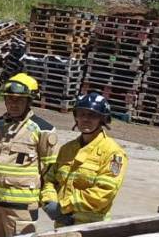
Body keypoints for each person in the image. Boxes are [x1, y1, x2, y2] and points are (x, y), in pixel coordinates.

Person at [0, 73, 57, 237]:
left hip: (21, 208)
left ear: (29, 101)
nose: (13, 104)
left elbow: (51, 172)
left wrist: (49, 200)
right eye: (9, 99)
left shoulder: (43, 130)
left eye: (19, 100)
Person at [44, 92, 127, 227]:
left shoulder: (113, 153)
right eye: (81, 114)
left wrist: (63, 207)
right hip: (61, 226)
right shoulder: (67, 149)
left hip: (91, 230)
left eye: (92, 115)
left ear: (102, 119)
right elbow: (49, 180)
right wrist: (49, 202)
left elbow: (103, 193)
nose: (85, 119)